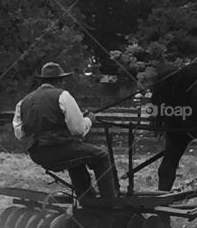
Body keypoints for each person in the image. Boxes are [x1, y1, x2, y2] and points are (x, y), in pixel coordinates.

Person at [13, 62, 119, 203]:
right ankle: (109, 202)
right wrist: (89, 120)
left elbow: (19, 133)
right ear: (59, 80)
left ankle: (87, 198)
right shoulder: (62, 95)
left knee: (76, 158)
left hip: (37, 153)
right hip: (58, 149)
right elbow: (78, 131)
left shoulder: (24, 101)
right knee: (101, 155)